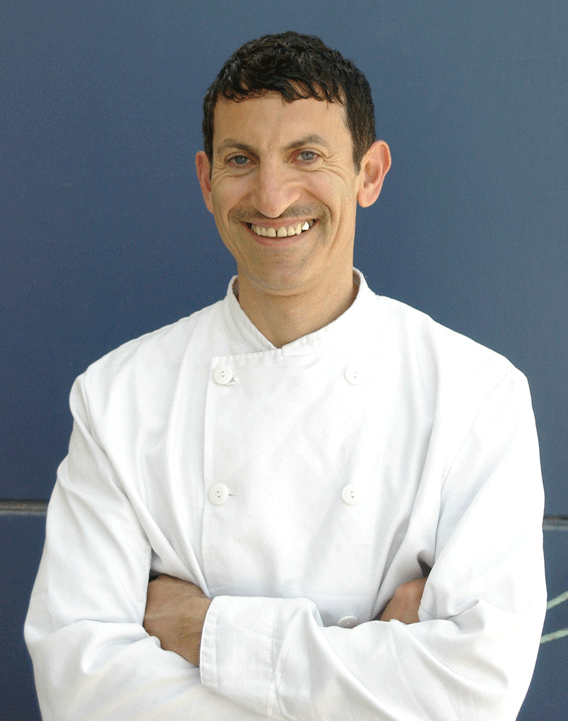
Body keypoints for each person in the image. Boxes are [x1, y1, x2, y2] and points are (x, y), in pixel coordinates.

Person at [25, 31, 546, 720]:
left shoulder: (477, 395)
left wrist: (201, 629)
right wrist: (373, 656)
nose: (272, 197)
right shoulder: (118, 397)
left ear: (369, 173)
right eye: (242, 159)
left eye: (307, 155)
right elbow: (80, 688)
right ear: (208, 180)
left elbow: (476, 691)